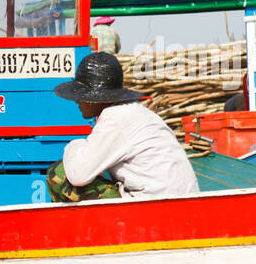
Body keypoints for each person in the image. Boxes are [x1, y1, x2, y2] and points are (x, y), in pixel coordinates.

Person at [48, 52, 199, 202]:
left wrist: (74, 145)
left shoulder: (114, 118)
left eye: (81, 96)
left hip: (156, 206)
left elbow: (77, 174)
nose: (77, 101)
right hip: (185, 202)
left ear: (94, 99)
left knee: (58, 172)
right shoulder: (139, 112)